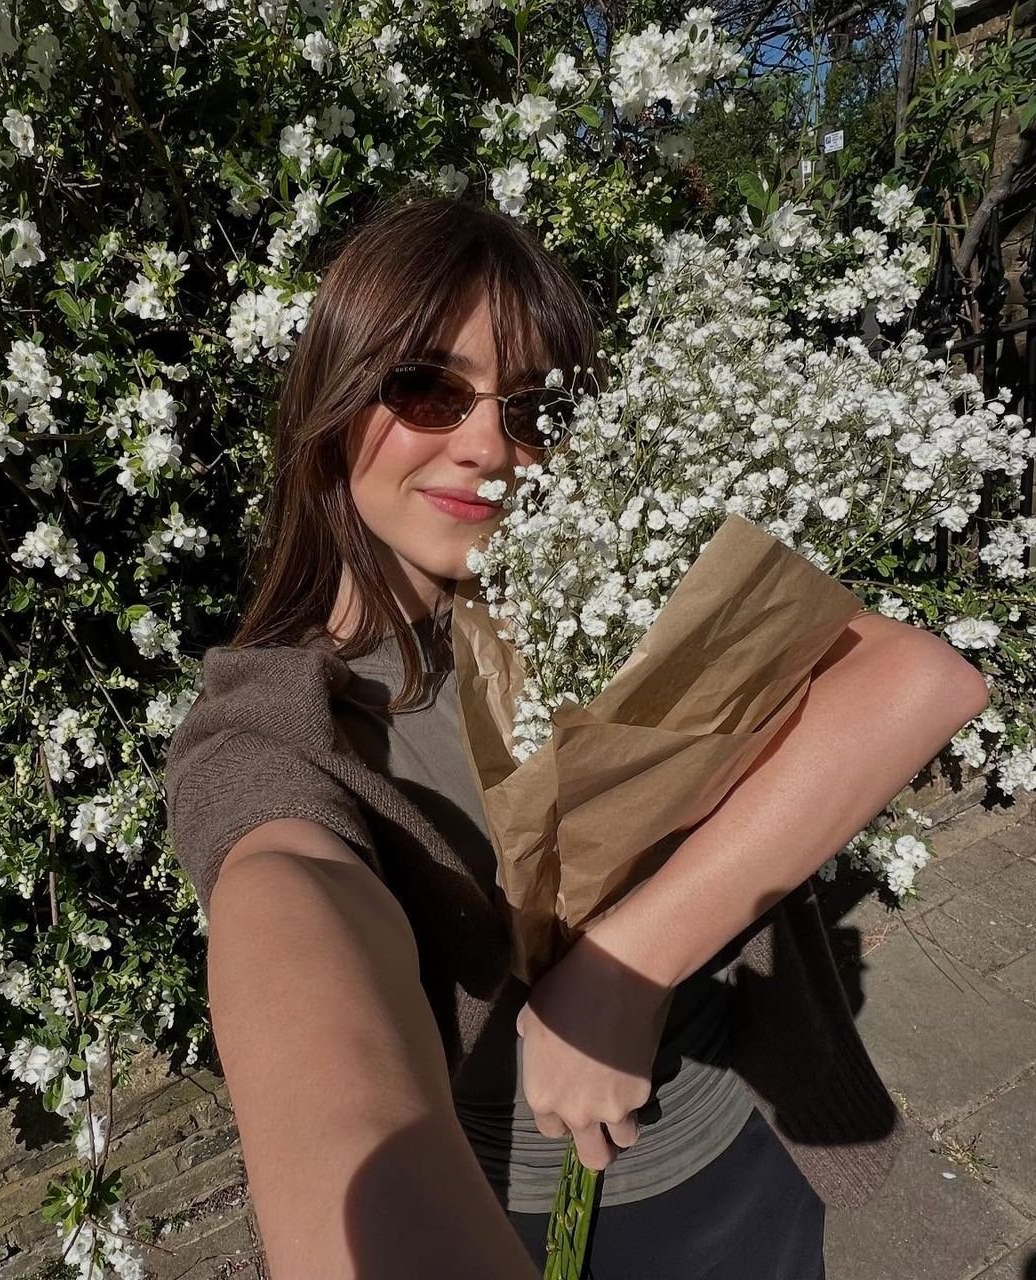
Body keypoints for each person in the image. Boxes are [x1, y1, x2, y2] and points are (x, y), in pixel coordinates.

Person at [164, 190, 990, 1278]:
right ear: (336, 395)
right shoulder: (278, 726)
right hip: (520, 1216)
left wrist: (619, 967)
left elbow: (920, 677)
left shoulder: (616, 584)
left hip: (745, 1151)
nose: (485, 446)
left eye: (531, 410)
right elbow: (290, 901)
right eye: (426, 388)